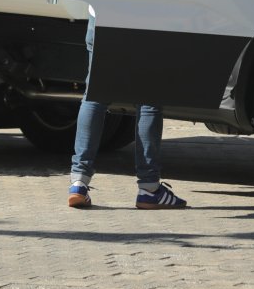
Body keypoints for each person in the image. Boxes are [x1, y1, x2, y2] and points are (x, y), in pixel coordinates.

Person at [67, 13, 188, 209]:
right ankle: (149, 189)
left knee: (95, 97)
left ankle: (78, 183)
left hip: (101, 16)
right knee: (149, 99)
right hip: (147, 18)